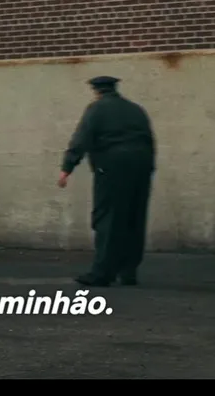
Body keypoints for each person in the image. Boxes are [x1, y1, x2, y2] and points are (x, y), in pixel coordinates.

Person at [58, 75, 156, 287]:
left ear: (96, 91)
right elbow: (149, 140)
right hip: (141, 166)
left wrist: (67, 167)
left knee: (108, 218)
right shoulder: (136, 110)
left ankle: (102, 273)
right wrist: (149, 168)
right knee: (134, 217)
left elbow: (81, 139)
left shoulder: (96, 109)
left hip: (112, 167)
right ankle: (128, 272)